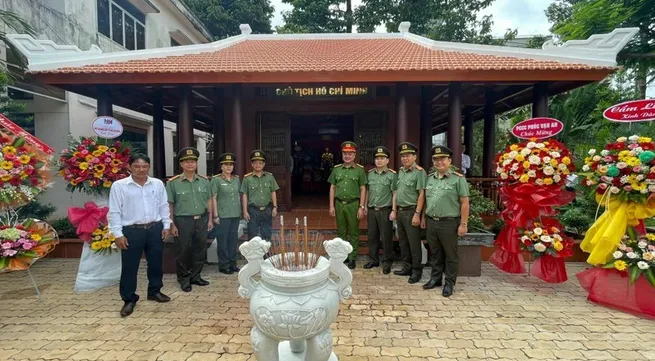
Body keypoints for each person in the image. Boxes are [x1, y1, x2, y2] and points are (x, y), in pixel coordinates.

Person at [108, 154, 171, 317]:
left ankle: (154, 291)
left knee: (156, 263)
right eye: (137, 166)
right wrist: (117, 234)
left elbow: (163, 205)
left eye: (144, 166)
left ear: (149, 167)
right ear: (129, 167)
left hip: (154, 228)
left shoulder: (157, 184)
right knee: (130, 267)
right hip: (131, 230)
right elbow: (114, 211)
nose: (141, 169)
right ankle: (129, 299)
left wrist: (166, 225)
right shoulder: (119, 186)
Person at [421, 145, 470, 297]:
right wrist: (423, 217)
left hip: (449, 222)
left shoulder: (458, 179)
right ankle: (435, 279)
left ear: (449, 160)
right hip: (432, 221)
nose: (438, 162)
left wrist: (463, 224)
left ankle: (449, 283)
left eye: (442, 159)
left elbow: (464, 203)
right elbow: (426, 201)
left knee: (450, 254)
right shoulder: (430, 178)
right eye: (435, 159)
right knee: (435, 253)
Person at [166, 147, 213, 292]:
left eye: (193, 161)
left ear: (196, 163)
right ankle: (184, 279)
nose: (190, 164)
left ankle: (196, 276)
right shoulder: (173, 183)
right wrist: (171, 223)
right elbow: (170, 204)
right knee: (183, 250)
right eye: (187, 162)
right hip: (183, 220)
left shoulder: (205, 181)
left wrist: (210, 219)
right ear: (181, 164)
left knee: (200, 248)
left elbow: (209, 200)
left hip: (202, 219)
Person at [328, 141, 367, 269]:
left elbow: (363, 189)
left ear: (354, 155)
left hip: (353, 204)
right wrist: (331, 205)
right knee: (341, 232)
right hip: (339, 204)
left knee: (354, 232)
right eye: (345, 153)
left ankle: (352, 257)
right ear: (342, 155)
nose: (347, 156)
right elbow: (332, 187)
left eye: (350, 154)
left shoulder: (360, 170)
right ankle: (342, 256)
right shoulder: (336, 169)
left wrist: (361, 207)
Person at [394, 142, 427, 284]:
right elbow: (397, 192)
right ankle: (406, 267)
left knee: (414, 243)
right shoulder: (401, 171)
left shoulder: (419, 172)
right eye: (402, 156)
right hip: (401, 211)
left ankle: (416, 271)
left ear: (414, 156)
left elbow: (421, 194)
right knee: (403, 242)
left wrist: (417, 214)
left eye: (408, 156)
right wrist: (394, 210)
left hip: (411, 211)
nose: (405, 158)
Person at [363, 146, 397, 274]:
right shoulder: (370, 174)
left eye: (382, 158)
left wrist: (394, 210)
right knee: (372, 236)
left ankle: (387, 262)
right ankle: (373, 259)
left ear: (387, 160)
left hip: (385, 210)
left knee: (386, 237)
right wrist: (365, 206)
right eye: (377, 158)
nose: (379, 160)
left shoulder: (392, 175)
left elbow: (395, 193)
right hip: (372, 210)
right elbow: (367, 191)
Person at [211, 152, 242, 275]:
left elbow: (239, 196)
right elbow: (213, 198)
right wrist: (215, 215)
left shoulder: (236, 179)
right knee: (222, 240)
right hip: (223, 215)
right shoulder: (216, 180)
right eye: (226, 164)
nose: (229, 167)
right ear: (221, 166)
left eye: (231, 165)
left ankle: (233, 263)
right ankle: (224, 265)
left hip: (235, 214)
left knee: (233, 240)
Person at [241, 150, 279, 242]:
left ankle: (266, 255)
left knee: (266, 234)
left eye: (260, 163)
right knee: (253, 236)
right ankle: (253, 256)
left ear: (264, 164)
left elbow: (273, 192)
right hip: (253, 210)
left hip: (267, 209)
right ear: (252, 164)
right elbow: (244, 195)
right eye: (255, 163)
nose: (258, 165)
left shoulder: (269, 177)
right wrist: (245, 211)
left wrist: (275, 207)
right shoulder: (247, 178)